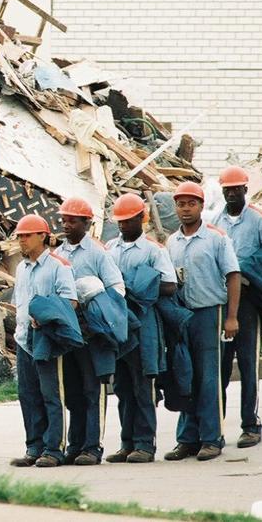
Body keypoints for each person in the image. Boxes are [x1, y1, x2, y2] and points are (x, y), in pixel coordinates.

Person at [164, 182, 240, 462]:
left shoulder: (216, 238)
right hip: (182, 316)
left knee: (209, 377)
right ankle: (187, 439)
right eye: (181, 204)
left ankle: (211, 438)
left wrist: (231, 317)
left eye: (191, 203)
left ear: (200, 206)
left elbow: (233, 275)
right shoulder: (172, 242)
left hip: (210, 313)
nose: (185, 209)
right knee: (185, 376)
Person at [105, 194, 177, 464]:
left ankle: (145, 444)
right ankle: (127, 443)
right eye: (119, 221)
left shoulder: (153, 250)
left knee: (143, 384)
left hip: (144, 322)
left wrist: (138, 288)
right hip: (119, 321)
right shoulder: (110, 248)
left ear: (141, 219)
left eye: (128, 221)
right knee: (122, 385)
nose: (123, 226)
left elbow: (170, 285)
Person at [214, 166, 262, 448]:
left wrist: (249, 273)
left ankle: (251, 425)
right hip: (222, 301)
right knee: (219, 368)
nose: (232, 193)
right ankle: (214, 427)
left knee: (247, 364)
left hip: (248, 303)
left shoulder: (259, 220)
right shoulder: (217, 221)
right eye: (227, 189)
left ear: (245, 189)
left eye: (236, 189)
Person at [57, 197, 124, 466]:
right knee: (72, 390)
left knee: (91, 388)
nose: (66, 225)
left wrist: (101, 313)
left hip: (91, 330)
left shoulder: (97, 253)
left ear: (87, 223)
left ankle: (92, 446)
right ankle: (75, 445)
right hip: (67, 329)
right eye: (63, 220)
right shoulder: (59, 254)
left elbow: (117, 287)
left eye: (72, 220)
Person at [10, 213, 78, 468]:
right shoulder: (21, 267)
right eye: (20, 237)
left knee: (52, 394)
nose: (22, 241)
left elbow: (70, 300)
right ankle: (33, 447)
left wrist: (47, 315)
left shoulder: (59, 266)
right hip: (24, 337)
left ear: (43, 237)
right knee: (27, 394)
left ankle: (54, 448)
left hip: (47, 337)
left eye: (27, 236)